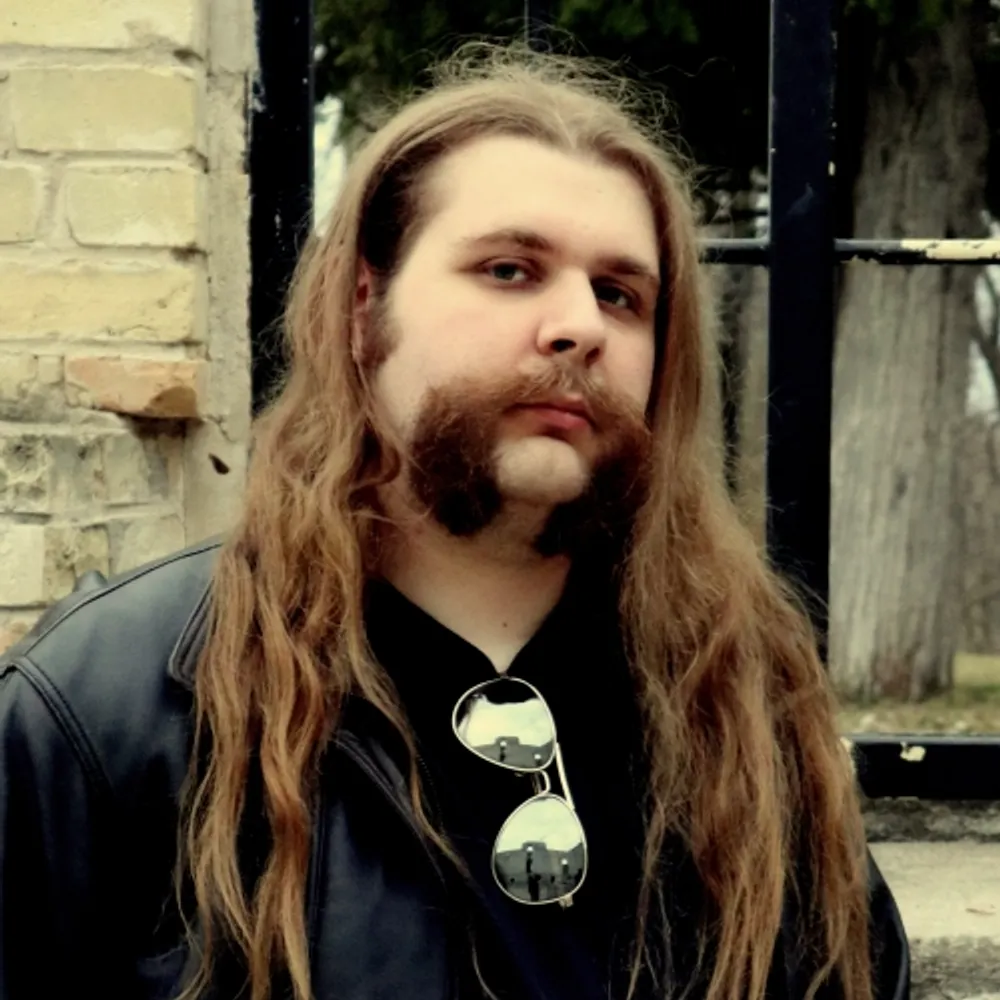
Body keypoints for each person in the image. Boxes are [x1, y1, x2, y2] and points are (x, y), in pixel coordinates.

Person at [0, 46, 908, 1000]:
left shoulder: (742, 699)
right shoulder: (107, 710)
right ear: (363, 310)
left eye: (620, 294)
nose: (580, 326)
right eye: (510, 269)